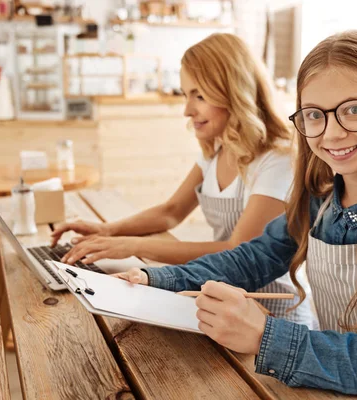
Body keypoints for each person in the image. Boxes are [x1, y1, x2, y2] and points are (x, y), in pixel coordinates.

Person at [116, 31, 357, 399]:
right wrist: (155, 278)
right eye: (314, 115)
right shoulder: (319, 200)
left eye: (354, 109)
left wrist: (268, 337)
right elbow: (251, 259)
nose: (333, 133)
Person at [51, 33, 318, 327]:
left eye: (199, 95)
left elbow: (236, 251)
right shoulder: (218, 148)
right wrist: (107, 230)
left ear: (234, 92)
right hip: (224, 302)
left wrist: (133, 246)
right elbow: (171, 212)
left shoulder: (276, 160)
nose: (187, 110)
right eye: (185, 94)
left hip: (272, 316)